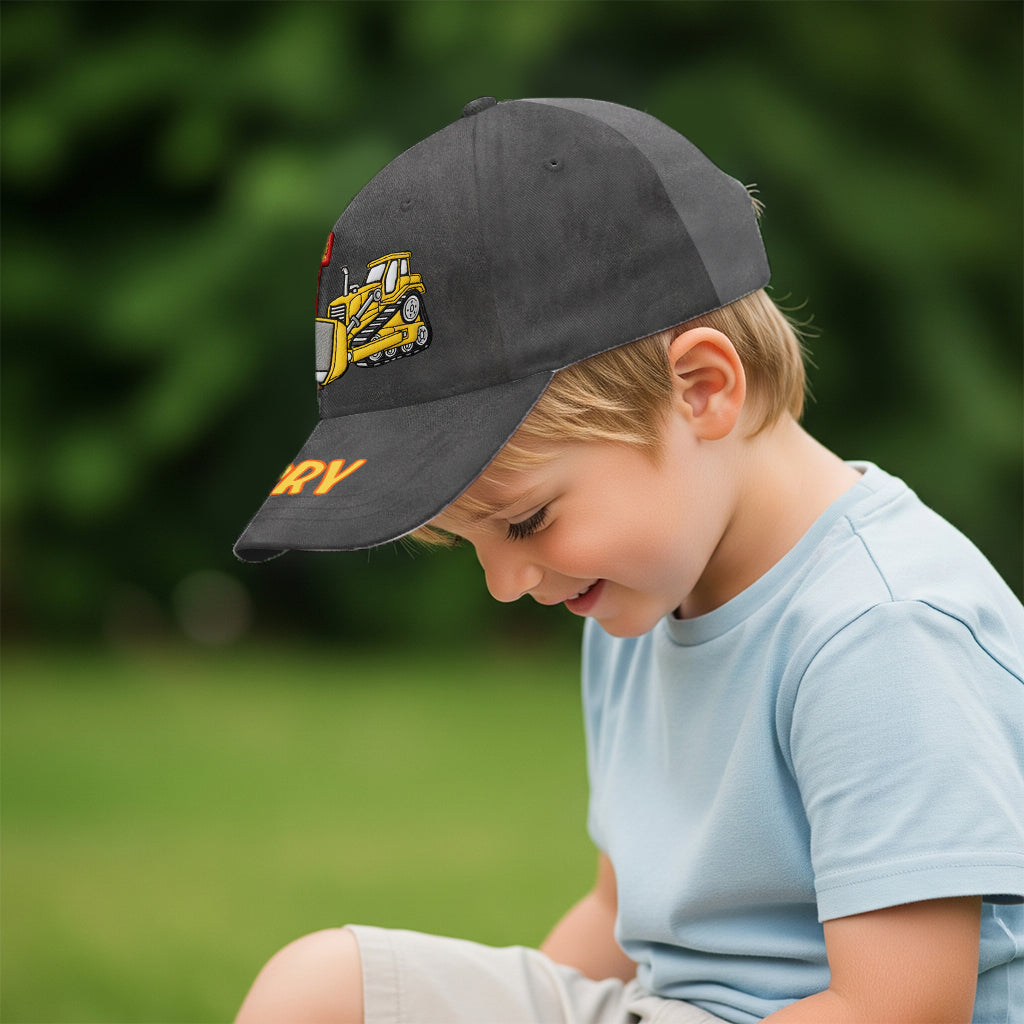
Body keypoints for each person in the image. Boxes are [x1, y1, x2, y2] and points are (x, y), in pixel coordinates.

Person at [232, 98, 1024, 1023]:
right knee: (322, 989)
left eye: (526, 521)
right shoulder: (636, 596)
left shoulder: (880, 629)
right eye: (469, 541)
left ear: (701, 390)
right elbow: (620, 915)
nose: (506, 585)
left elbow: (899, 1008)